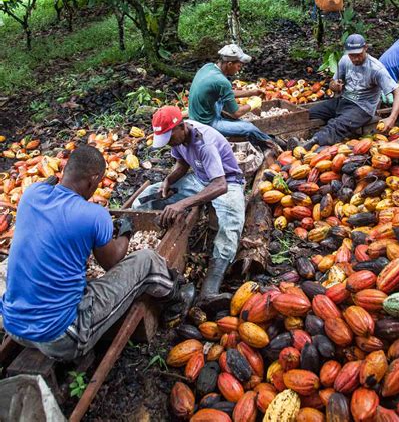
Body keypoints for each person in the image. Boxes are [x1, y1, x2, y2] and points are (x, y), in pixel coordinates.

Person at [0, 145, 193, 361]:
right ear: (93, 180)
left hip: (14, 326)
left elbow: (49, 192)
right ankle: (175, 298)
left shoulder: (31, 195)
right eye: (98, 183)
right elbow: (112, 262)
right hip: (62, 337)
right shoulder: (94, 214)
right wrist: (126, 234)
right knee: (146, 259)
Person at [133, 106, 245, 310]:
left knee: (230, 225)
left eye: (169, 137)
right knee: (148, 195)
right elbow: (182, 165)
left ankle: (211, 288)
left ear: (181, 127)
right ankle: (132, 227)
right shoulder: (179, 137)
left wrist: (183, 203)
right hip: (201, 179)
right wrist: (168, 180)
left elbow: (220, 185)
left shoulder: (205, 143)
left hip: (227, 182)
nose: (168, 143)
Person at [290, 34, 399, 150]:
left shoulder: (376, 69)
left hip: (362, 108)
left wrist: (392, 118)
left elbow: (398, 93)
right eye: (352, 55)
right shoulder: (345, 60)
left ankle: (308, 145)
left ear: (365, 48)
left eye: (358, 55)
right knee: (309, 113)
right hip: (343, 101)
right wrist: (335, 86)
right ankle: (286, 138)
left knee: (336, 125)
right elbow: (333, 84)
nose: (355, 59)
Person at [187, 43, 283, 150]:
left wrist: (252, 92)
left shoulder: (208, 67)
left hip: (199, 114)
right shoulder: (222, 81)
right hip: (206, 123)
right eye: (238, 66)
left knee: (223, 103)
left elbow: (225, 92)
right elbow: (237, 113)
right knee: (249, 128)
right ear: (229, 64)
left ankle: (229, 121)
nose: (238, 70)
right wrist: (252, 104)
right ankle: (274, 145)